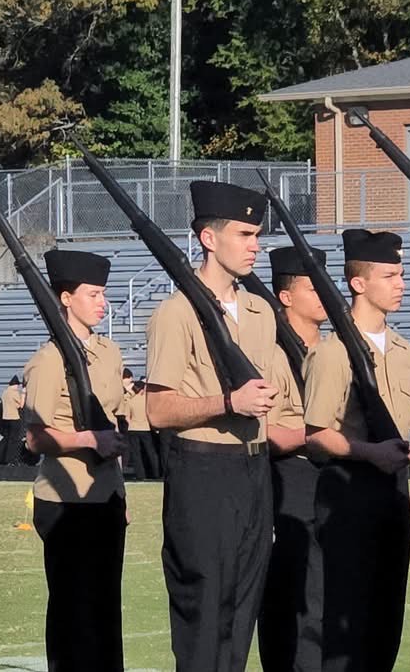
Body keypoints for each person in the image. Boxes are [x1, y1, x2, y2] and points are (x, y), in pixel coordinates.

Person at [144, 180, 278, 672]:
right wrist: (227, 402)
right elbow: (158, 411)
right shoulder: (176, 313)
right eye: (244, 234)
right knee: (203, 612)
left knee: (242, 612)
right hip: (202, 472)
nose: (255, 245)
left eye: (256, 234)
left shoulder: (262, 312)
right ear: (208, 238)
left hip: (254, 470)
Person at [302, 231, 410, 672]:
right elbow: (316, 434)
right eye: (389, 275)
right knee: (347, 623)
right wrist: (368, 452)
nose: (400, 283)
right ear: (358, 283)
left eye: (402, 274)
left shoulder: (407, 353)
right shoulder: (332, 354)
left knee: (387, 623)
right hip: (349, 493)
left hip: (394, 493)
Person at [22, 248, 128, 672]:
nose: (102, 302)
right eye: (93, 294)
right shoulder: (48, 360)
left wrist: (122, 493)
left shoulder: (110, 353)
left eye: (103, 294)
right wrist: (87, 440)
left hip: (105, 496)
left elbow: (114, 428)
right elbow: (35, 437)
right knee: (72, 615)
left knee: (106, 612)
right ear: (66, 298)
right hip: (65, 501)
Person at [258, 245, 329, 672]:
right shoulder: (266, 354)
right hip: (291, 479)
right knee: (295, 593)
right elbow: (262, 433)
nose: (324, 292)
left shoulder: (337, 349)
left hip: (336, 479)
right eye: (311, 286)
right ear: (285, 296)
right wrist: (318, 434)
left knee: (330, 593)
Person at [125, 381, 161, 480]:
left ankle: (140, 476)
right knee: (151, 452)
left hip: (133, 428)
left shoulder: (130, 401)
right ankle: (156, 473)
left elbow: (127, 417)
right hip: (146, 428)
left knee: (136, 453)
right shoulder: (147, 401)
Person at [0, 376, 24, 464]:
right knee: (13, 440)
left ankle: (0, 458)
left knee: (5, 438)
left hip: (5, 418)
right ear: (15, 385)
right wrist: (23, 394)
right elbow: (21, 405)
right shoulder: (14, 393)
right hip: (14, 418)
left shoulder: (4, 392)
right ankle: (10, 459)